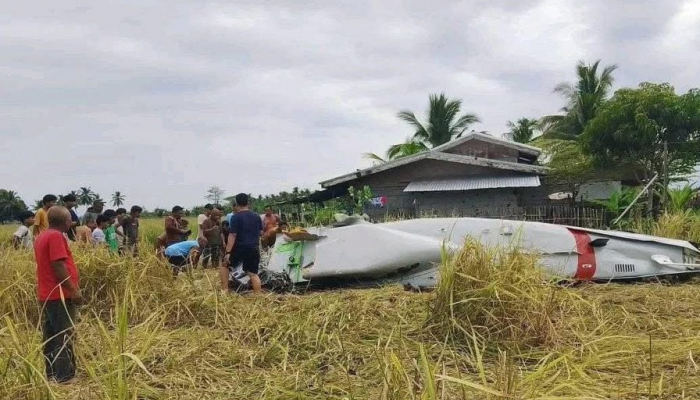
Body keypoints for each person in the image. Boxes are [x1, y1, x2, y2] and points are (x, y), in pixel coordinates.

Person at [34, 206, 81, 383]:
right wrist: (73, 290)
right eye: (70, 219)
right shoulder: (55, 236)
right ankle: (64, 376)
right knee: (64, 335)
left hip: (47, 294)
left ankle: (52, 373)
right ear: (65, 221)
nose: (71, 222)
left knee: (51, 336)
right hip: (59, 295)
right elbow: (58, 266)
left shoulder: (43, 235)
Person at [223, 193, 263, 294]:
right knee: (253, 274)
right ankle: (259, 296)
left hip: (240, 248)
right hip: (253, 248)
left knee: (224, 265)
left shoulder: (235, 217)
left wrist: (227, 253)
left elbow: (232, 236)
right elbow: (261, 233)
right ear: (248, 202)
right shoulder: (256, 216)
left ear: (236, 203)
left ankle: (224, 290)